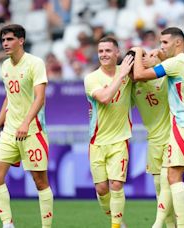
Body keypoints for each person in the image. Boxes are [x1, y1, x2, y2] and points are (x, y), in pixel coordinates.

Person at [132, 27, 184, 228]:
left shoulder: (175, 63)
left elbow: (140, 75)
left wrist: (138, 52)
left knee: (173, 176)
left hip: (183, 125)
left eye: (165, 43)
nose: (161, 46)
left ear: (178, 43)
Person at [0, 24, 53, 228]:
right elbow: (9, 98)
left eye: (9, 39)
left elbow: (40, 97)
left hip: (32, 131)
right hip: (9, 131)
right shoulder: (5, 66)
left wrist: (26, 122)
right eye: (4, 40)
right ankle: (8, 225)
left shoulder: (35, 63)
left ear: (21, 41)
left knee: (40, 182)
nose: (5, 43)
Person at [83, 36, 134, 228]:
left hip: (120, 139)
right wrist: (121, 76)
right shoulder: (91, 78)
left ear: (117, 53)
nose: (104, 55)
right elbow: (104, 97)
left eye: (108, 51)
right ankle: (118, 221)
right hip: (97, 141)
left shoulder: (128, 73)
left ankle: (115, 225)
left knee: (116, 185)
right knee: (102, 189)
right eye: (101, 51)